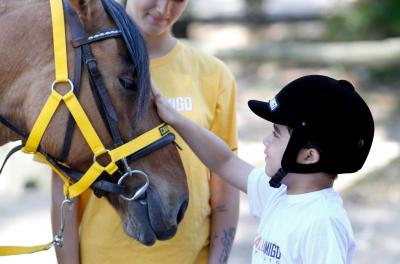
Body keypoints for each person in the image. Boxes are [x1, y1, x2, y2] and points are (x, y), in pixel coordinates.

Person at [51, 0, 240, 263]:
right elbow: (63, 186)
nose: (164, 9)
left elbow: (224, 184)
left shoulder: (213, 75)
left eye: (178, 0)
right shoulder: (84, 67)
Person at [152, 74, 375, 263]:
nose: (266, 141)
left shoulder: (322, 222)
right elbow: (224, 162)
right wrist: (174, 118)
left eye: (277, 134)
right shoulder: (278, 194)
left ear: (308, 156)